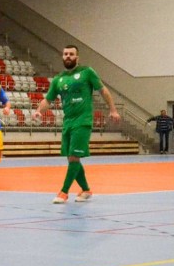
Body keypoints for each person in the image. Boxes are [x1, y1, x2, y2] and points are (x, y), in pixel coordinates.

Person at [33, 45, 120, 203]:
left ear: (77, 57)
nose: (68, 56)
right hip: (68, 122)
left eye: (71, 54)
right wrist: (39, 110)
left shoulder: (87, 72)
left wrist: (113, 109)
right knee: (71, 158)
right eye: (65, 54)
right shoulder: (59, 79)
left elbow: (103, 91)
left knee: (73, 156)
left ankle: (63, 192)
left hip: (83, 120)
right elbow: (48, 99)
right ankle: (86, 189)